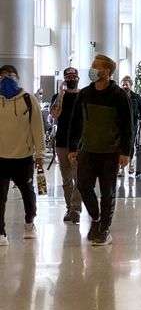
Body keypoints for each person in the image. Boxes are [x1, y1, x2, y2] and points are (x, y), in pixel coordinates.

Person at [67, 55, 133, 246]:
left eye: (97, 67)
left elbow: (128, 125)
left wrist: (125, 152)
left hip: (110, 152)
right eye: (92, 66)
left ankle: (104, 228)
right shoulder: (85, 93)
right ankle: (96, 218)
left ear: (108, 72)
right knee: (84, 185)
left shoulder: (119, 95)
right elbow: (76, 121)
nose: (93, 70)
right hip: (87, 150)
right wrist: (73, 147)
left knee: (108, 191)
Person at [0, 65, 45, 245]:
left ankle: (29, 222)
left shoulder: (28, 99)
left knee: (28, 193)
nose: (7, 79)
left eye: (10, 76)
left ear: (18, 78)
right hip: (1, 157)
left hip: (23, 157)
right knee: (0, 196)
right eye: (2, 76)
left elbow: (37, 128)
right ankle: (1, 231)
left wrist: (40, 154)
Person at [49, 67, 82, 224]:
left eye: (73, 76)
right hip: (62, 142)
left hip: (79, 143)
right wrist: (61, 93)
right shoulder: (58, 96)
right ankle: (70, 208)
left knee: (79, 178)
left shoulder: (83, 96)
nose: (71, 79)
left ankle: (76, 208)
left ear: (78, 78)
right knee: (66, 178)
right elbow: (55, 114)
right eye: (68, 76)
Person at [120, 75, 141, 175]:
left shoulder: (136, 97)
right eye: (123, 85)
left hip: (132, 125)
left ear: (130, 85)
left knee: (130, 145)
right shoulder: (118, 96)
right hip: (119, 125)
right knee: (119, 145)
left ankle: (130, 164)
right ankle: (120, 167)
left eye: (126, 85)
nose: (125, 86)